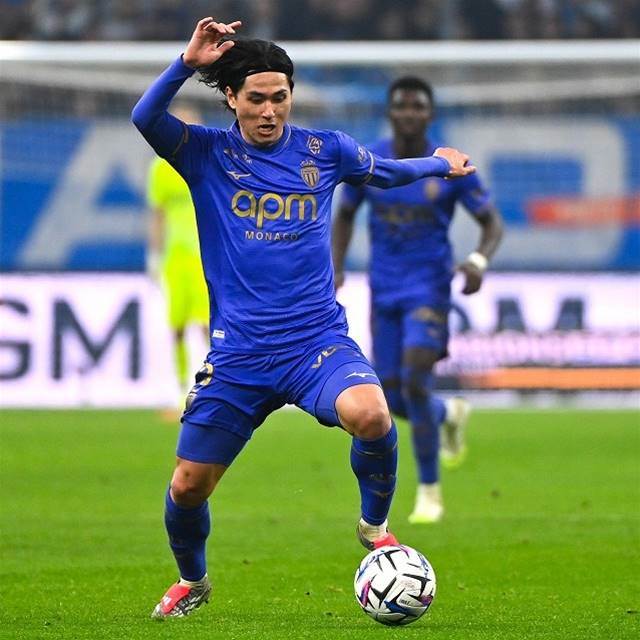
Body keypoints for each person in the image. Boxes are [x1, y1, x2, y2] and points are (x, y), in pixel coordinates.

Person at [131, 16, 476, 620]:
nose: (269, 111)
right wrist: (185, 65)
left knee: (372, 414)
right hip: (239, 355)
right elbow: (145, 117)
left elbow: (384, 172)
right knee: (187, 486)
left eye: (280, 97)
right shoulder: (204, 153)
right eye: (256, 99)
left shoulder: (325, 150)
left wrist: (437, 164)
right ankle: (193, 580)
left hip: (314, 341)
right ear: (231, 98)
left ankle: (375, 529)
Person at [332, 76, 503, 525]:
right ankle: (448, 414)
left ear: (430, 114)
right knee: (389, 394)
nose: (409, 113)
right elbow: (344, 214)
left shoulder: (451, 164)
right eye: (401, 106)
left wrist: (478, 261)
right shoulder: (369, 161)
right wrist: (336, 266)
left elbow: (492, 223)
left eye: (418, 106)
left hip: (429, 286)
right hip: (384, 287)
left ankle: (430, 493)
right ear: (390, 113)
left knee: (414, 381)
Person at [146, 104, 210, 412]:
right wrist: (154, 256)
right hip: (175, 258)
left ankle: (217, 385)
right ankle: (181, 387)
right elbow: (157, 215)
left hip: (206, 256)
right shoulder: (160, 168)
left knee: (209, 325)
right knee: (178, 326)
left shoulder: (206, 161)